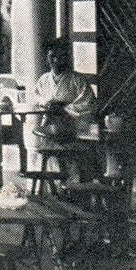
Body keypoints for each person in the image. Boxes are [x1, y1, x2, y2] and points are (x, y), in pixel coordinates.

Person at [31, 37, 99, 181]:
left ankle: (74, 187)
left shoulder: (77, 80)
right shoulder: (44, 80)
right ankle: (55, 187)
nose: (55, 60)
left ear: (66, 58)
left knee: (73, 164)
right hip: (50, 126)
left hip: (73, 126)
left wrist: (65, 108)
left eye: (60, 56)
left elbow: (88, 103)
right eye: (52, 56)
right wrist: (47, 104)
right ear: (47, 58)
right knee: (50, 159)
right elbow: (36, 98)